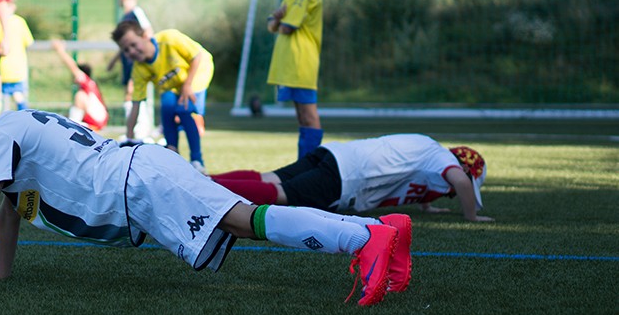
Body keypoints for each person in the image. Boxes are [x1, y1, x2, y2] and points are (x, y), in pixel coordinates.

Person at [0, 110, 415, 306]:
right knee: (242, 221)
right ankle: (381, 229)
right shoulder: (13, 128)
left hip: (140, 183)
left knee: (245, 221)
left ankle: (362, 239)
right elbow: (6, 212)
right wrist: (1, 274)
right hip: (141, 172)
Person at [210, 134, 494, 225]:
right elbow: (459, 180)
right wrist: (470, 216)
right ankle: (203, 186)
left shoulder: (429, 148)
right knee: (282, 194)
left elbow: (418, 176)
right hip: (347, 177)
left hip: (334, 154)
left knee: (268, 177)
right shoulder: (447, 162)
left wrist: (428, 206)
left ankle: (205, 178)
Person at [111, 20, 212, 173]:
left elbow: (196, 56)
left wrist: (187, 85)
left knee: (183, 109)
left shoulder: (169, 39)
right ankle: (173, 156)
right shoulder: (139, 69)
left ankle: (197, 161)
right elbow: (136, 105)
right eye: (125, 50)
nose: (131, 51)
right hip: (175, 83)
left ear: (144, 36)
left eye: (133, 44)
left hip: (198, 69)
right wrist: (129, 138)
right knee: (167, 106)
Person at [267, 0, 324, 159]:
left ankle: (311, 164)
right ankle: (305, 162)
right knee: (301, 114)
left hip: (301, 62)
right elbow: (272, 25)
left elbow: (285, 27)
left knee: (308, 113)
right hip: (290, 63)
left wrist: (278, 20)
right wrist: (277, 21)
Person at [107, 0, 156, 141]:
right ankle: (134, 131)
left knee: (133, 94)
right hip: (128, 63)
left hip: (136, 64)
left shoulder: (136, 12)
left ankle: (142, 132)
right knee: (129, 95)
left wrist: (143, 57)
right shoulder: (126, 16)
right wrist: (114, 60)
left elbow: (148, 32)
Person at [51, 38, 109, 131]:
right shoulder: (90, 85)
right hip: (96, 121)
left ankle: (72, 127)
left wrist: (60, 50)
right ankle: (72, 124)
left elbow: (73, 67)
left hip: (96, 123)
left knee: (80, 96)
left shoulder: (87, 83)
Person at [0, 8, 35, 112]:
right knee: (18, 96)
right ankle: (25, 117)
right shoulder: (19, 21)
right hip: (17, 68)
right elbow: (29, 42)